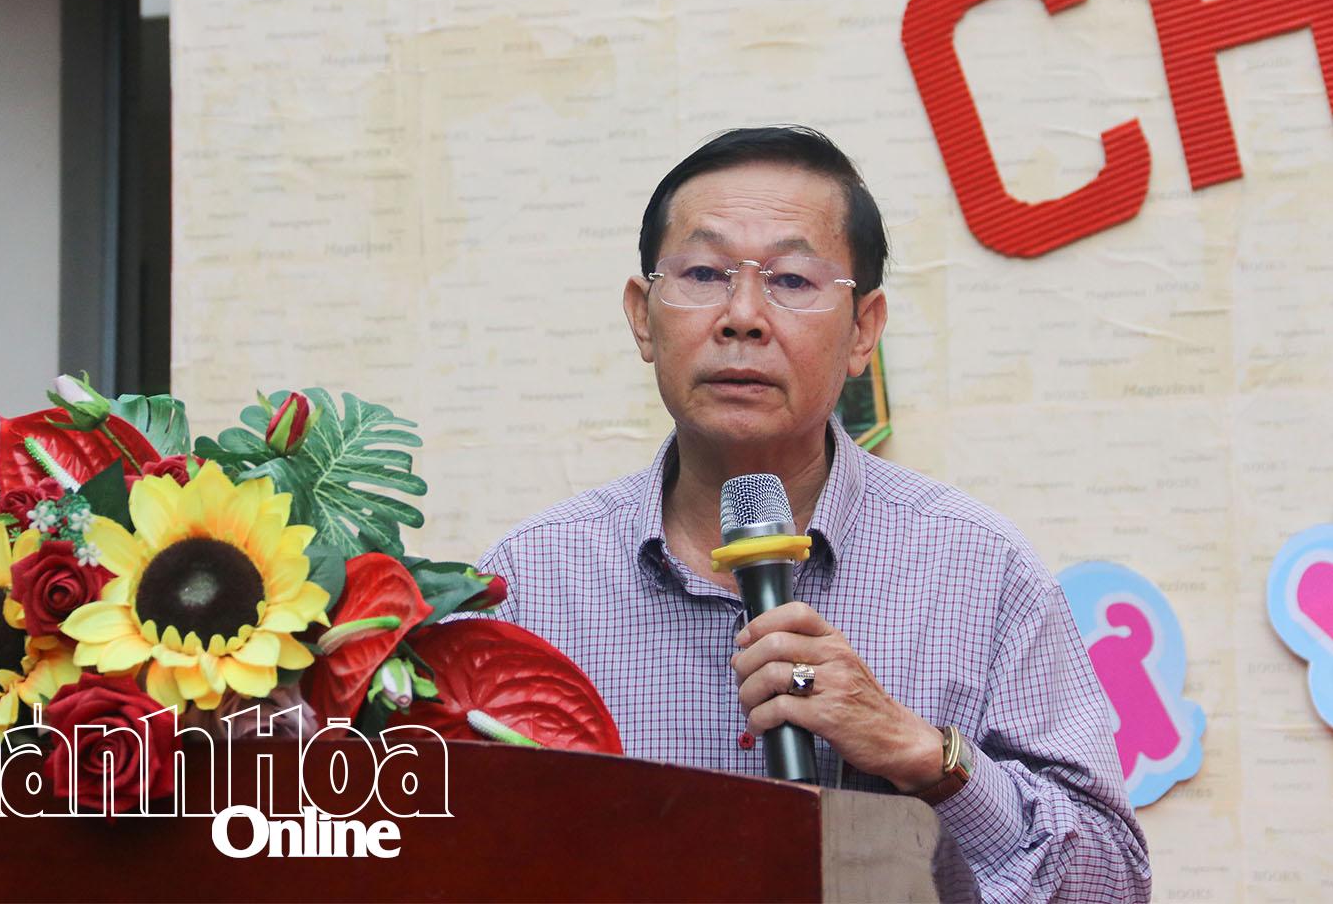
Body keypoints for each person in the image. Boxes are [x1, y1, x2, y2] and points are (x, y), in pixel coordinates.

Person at [476, 126, 1150, 902]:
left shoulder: (978, 567)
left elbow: (1114, 885)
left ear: (863, 329)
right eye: (703, 271)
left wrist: (923, 754)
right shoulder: (529, 583)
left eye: (793, 281)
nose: (742, 316)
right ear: (641, 316)